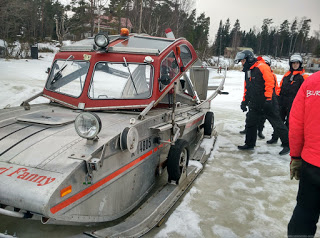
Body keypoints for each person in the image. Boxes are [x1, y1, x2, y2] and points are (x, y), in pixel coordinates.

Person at [235, 50, 289, 155]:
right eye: (241, 61)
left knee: (277, 123)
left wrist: (268, 99)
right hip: (255, 103)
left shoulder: (262, 67)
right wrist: (244, 101)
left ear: (249, 59)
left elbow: (270, 83)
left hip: (267, 102)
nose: (242, 63)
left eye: (243, 61)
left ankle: (288, 144)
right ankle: (249, 144)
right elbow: (247, 88)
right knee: (251, 123)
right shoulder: (248, 71)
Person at [287, 70, 320, 237]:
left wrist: (296, 157)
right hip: (312, 160)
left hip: (313, 165)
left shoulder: (312, 82)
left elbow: (297, 125)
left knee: (305, 212)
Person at [267, 54, 308, 144]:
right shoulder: (287, 75)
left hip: (294, 104)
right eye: (293, 63)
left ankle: (287, 142)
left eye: (297, 63)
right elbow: (279, 87)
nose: (295, 65)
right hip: (282, 102)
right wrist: (277, 99)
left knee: (290, 123)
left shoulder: (304, 77)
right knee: (279, 122)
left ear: (300, 64)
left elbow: (306, 91)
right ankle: (275, 137)